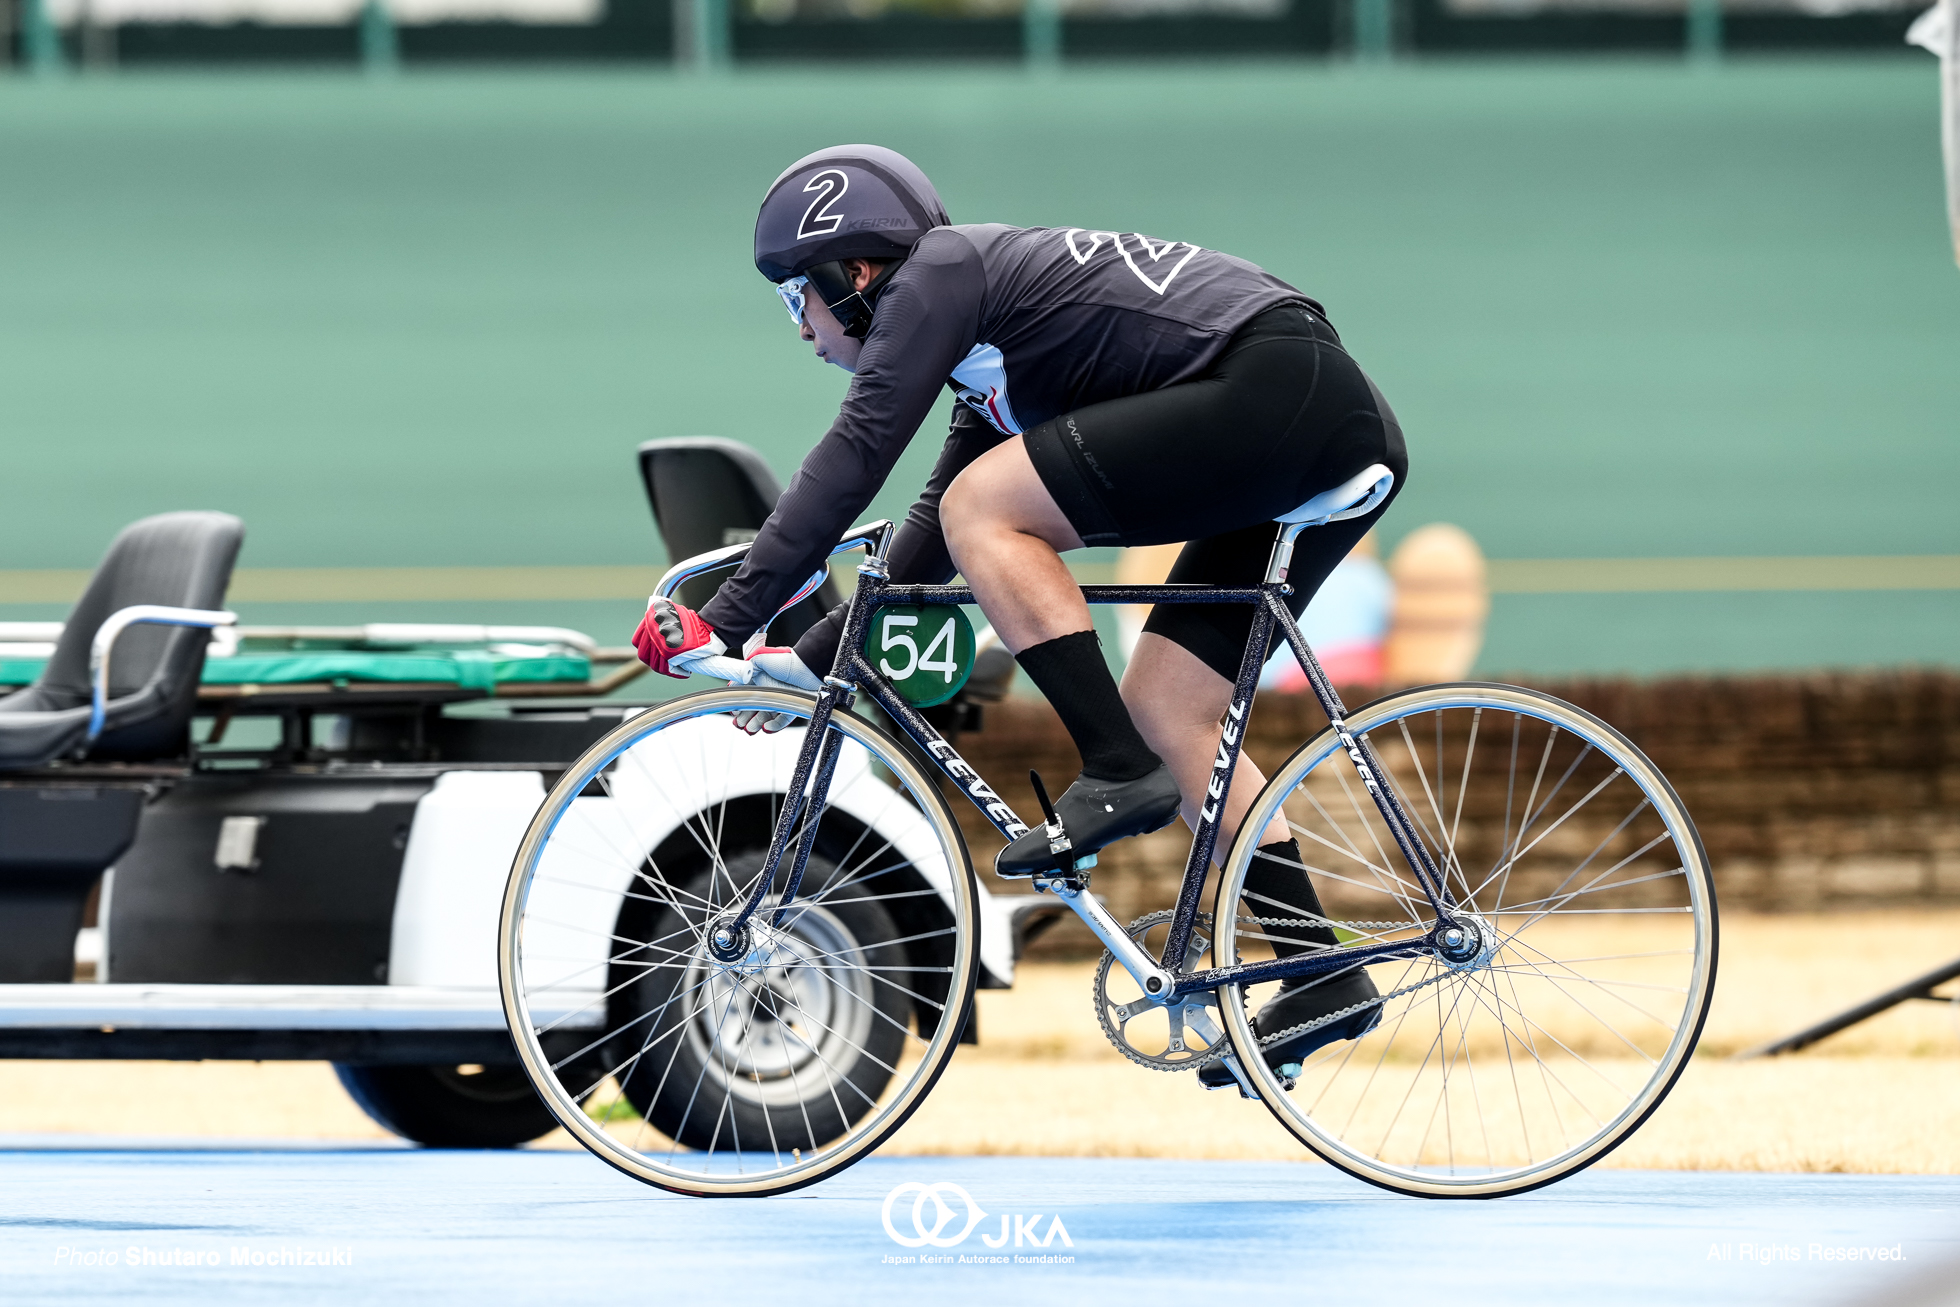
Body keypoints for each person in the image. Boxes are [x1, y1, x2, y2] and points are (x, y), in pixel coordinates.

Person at [630, 144, 1407, 1079]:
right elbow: (918, 536)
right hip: (1312, 410)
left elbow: (858, 453)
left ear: (859, 272)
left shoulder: (940, 275)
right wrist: (814, 657)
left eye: (798, 296)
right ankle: (1319, 966)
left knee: (986, 510)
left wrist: (727, 612)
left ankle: (1115, 769)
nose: (800, 329)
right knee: (1170, 707)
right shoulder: (986, 354)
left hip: (1281, 389)